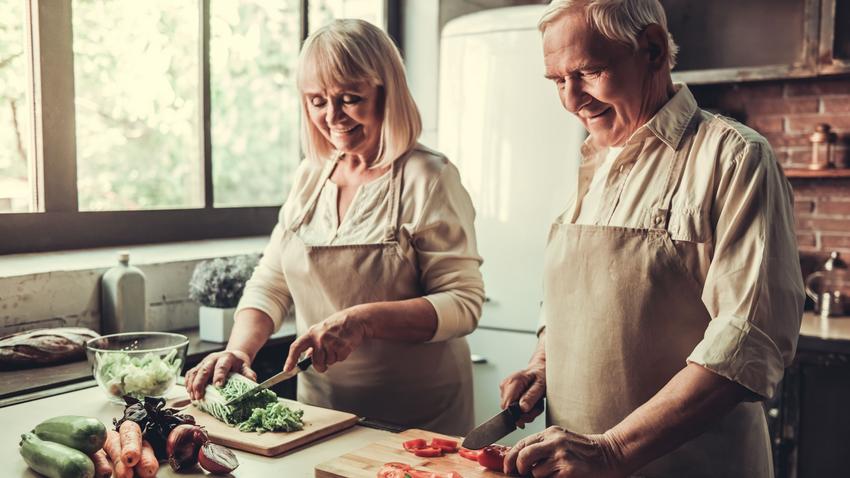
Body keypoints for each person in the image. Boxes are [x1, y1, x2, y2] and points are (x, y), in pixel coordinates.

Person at [498, 1, 804, 476]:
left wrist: (613, 450)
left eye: (589, 72)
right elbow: (576, 302)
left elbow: (748, 342)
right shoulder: (593, 162)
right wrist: (543, 364)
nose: (571, 99)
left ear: (654, 51)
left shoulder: (735, 158)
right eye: (558, 81)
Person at [184, 19, 484, 436]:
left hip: (419, 421)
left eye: (349, 98)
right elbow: (270, 283)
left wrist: (363, 320)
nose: (332, 116)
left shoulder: (428, 177)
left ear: (386, 93)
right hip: (321, 413)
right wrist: (239, 350)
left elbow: (463, 304)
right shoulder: (311, 177)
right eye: (317, 101)